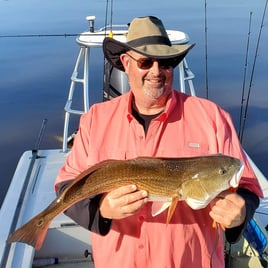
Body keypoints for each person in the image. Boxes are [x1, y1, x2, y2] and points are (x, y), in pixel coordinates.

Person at [55, 16, 263, 267]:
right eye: (145, 62)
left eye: (165, 62)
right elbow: (66, 188)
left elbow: (248, 186)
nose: (156, 71)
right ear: (126, 63)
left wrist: (240, 212)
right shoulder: (95, 121)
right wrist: (102, 210)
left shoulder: (212, 118)